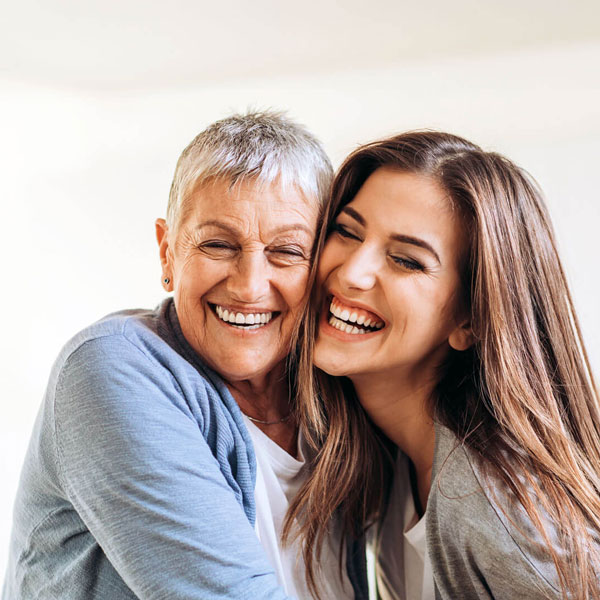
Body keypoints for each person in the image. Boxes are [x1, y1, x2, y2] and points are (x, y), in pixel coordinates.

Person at [3, 111, 365, 599]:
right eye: (218, 244)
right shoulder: (110, 368)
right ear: (167, 252)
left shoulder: (338, 395)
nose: (250, 285)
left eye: (286, 252)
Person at [285, 131, 600, 599]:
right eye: (347, 231)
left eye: (407, 261)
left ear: (469, 320)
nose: (351, 272)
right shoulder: (393, 467)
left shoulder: (499, 507)